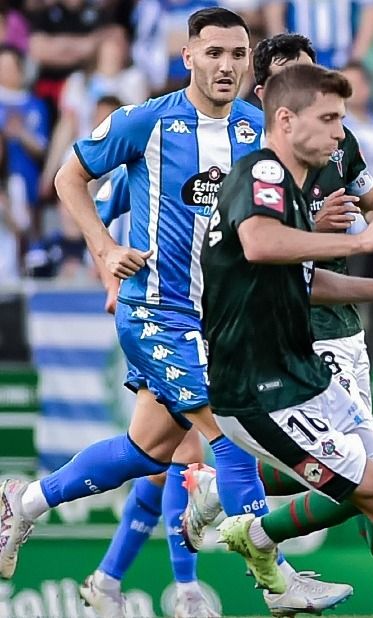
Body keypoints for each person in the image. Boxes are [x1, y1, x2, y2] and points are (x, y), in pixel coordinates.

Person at [0, 8, 347, 618]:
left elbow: (262, 225)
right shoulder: (145, 122)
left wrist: (312, 227)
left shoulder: (256, 131)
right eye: (213, 53)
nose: (226, 66)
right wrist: (105, 251)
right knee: (233, 430)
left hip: (221, 323)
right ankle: (276, 579)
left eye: (237, 55)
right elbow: (69, 179)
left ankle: (20, 503)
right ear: (187, 56)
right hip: (157, 311)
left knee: (148, 452)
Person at [201, 62, 373, 618]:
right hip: (259, 388)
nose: (339, 134)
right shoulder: (264, 173)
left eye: (342, 119)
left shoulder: (296, 190)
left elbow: (306, 280)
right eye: (329, 119)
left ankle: (254, 523)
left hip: (303, 376)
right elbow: (259, 243)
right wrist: (364, 237)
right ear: (286, 118)